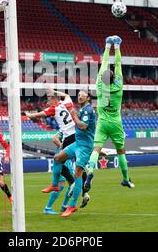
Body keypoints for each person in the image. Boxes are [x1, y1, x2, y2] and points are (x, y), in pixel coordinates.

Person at [84, 35, 134, 194]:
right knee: (121, 151)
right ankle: (126, 179)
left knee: (96, 150)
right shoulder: (118, 87)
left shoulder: (100, 85)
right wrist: (117, 46)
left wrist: (107, 45)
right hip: (116, 122)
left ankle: (90, 171)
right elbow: (117, 63)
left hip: (102, 122)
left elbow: (104, 62)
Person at [53, 90, 97, 217]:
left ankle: (72, 206)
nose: (79, 96)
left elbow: (83, 126)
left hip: (84, 147)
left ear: (88, 97)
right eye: (78, 95)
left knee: (78, 172)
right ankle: (55, 185)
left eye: (82, 95)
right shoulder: (82, 109)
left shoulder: (88, 110)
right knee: (57, 158)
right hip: (77, 143)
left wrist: (74, 116)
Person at [25, 88, 76, 192]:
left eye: (49, 99)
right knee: (60, 160)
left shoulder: (54, 108)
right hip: (77, 134)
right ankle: (66, 183)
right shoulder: (66, 103)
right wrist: (54, 91)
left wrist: (29, 115)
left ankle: (65, 183)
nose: (47, 102)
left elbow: (39, 114)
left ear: (54, 99)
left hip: (68, 136)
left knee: (58, 160)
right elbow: (67, 95)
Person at [43, 130, 73, 215]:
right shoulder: (65, 129)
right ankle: (48, 208)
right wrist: (64, 148)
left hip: (67, 160)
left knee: (72, 184)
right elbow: (54, 139)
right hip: (61, 160)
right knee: (61, 185)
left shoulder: (73, 129)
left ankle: (64, 206)